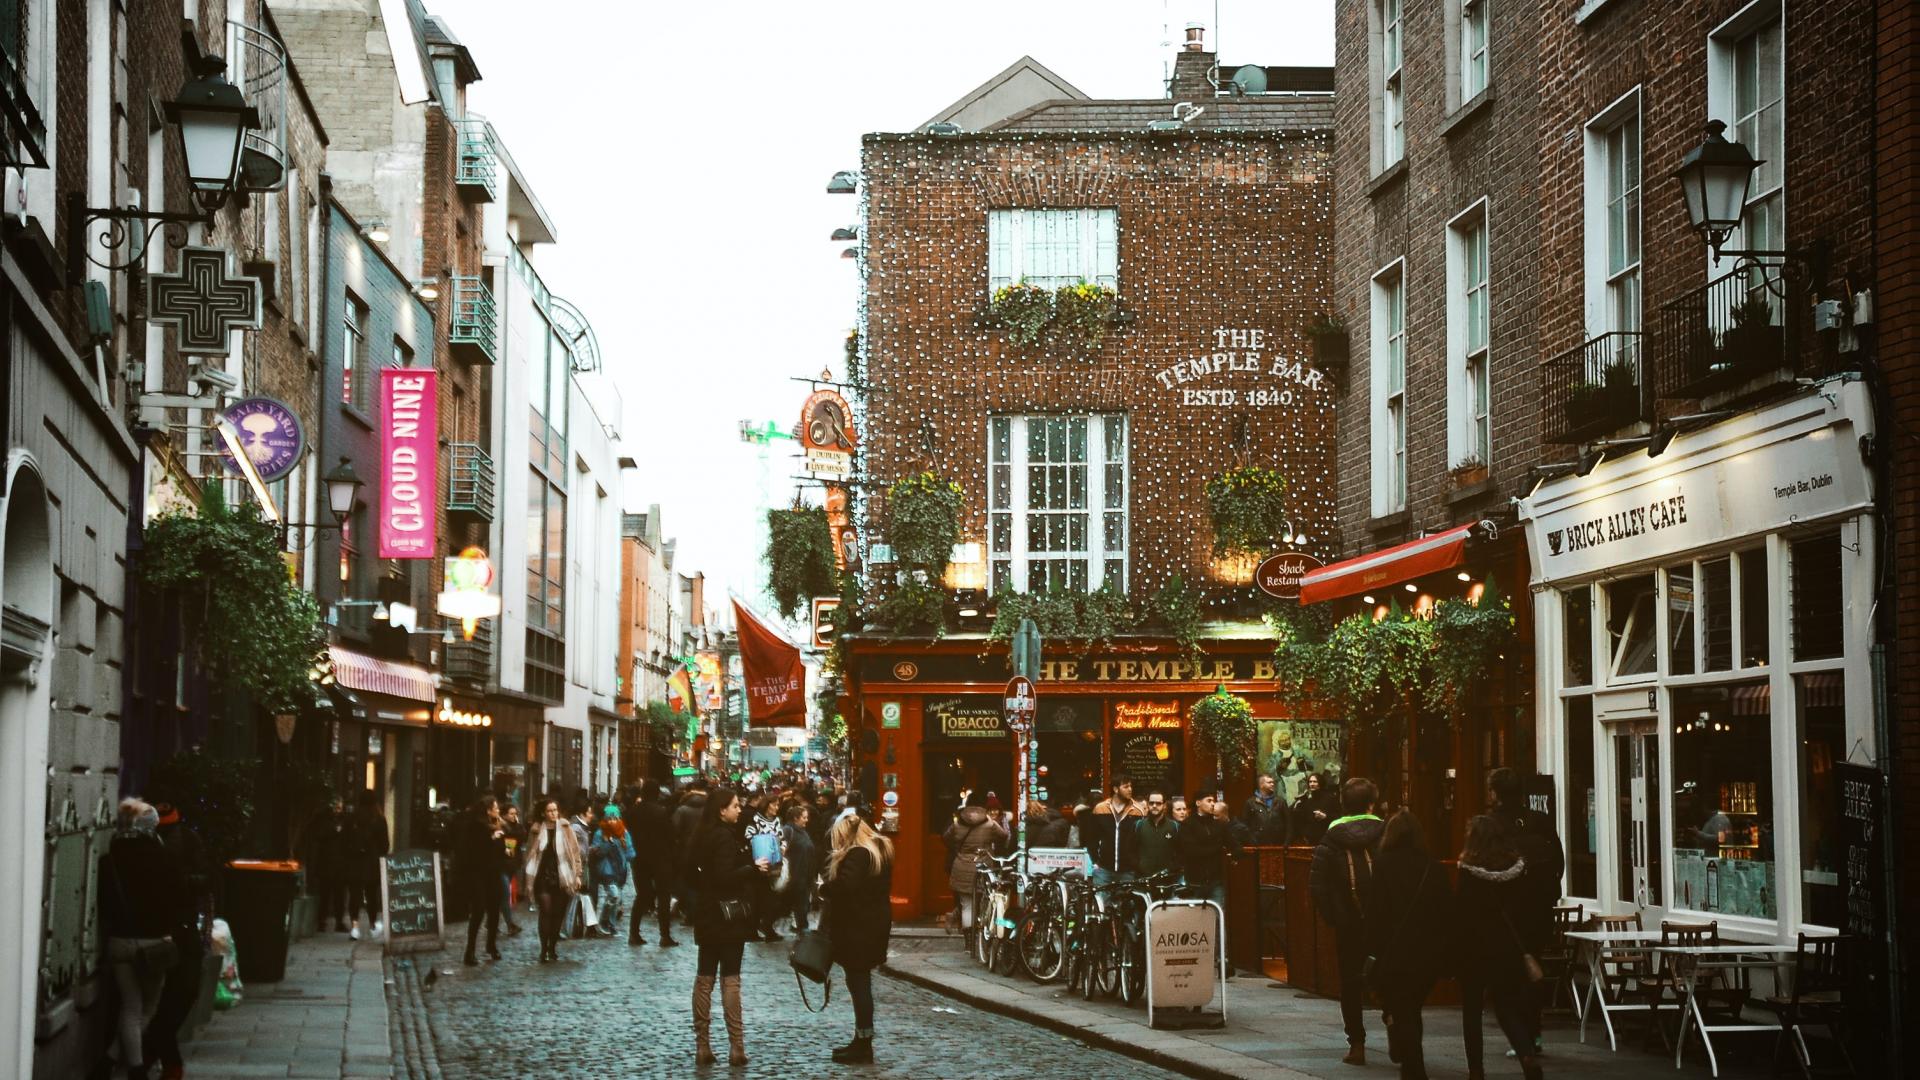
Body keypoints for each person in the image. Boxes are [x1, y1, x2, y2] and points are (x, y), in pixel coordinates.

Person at [99, 799, 190, 1080]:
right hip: (154, 943)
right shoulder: (163, 857)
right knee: (147, 1008)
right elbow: (179, 898)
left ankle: (110, 1061)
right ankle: (136, 1071)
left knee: (129, 1006)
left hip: (120, 941)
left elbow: (104, 900)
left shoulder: (109, 857)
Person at [1363, 810, 1453, 1080]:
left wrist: (1373, 949)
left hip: (1394, 952)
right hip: (1427, 953)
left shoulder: (1382, 865)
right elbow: (1445, 912)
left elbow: (1375, 913)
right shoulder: (1433, 868)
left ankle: (1414, 1067)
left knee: (1404, 1010)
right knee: (1412, 1007)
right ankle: (1410, 1060)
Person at [1456, 815, 1545, 1080]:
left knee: (1472, 1011)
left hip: (1474, 949)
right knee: (1507, 1007)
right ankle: (1526, 1055)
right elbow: (1526, 911)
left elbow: (1461, 913)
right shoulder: (1518, 869)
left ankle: (1476, 1070)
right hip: (1507, 949)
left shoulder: (1468, 871)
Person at [1486, 768, 1565, 1057]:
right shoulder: (1540, 821)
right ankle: (1534, 1033)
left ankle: (1521, 1036)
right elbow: (1558, 860)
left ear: (1495, 793)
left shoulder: (1492, 825)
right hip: (1540, 909)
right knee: (1533, 967)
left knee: (1508, 976)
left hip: (1506, 912)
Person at [1309, 776, 1385, 1066]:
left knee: (1350, 982)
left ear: (1343, 805)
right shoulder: (1385, 833)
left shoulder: (1331, 838)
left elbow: (1317, 886)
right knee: (1390, 974)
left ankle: (1357, 1044)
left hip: (1348, 923)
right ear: (1370, 804)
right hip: (1383, 922)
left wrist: (1335, 917)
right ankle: (1396, 1028)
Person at [689, 787, 769, 1066]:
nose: (739, 809)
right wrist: (752, 868)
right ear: (721, 809)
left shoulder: (702, 835)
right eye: (735, 805)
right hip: (728, 916)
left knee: (704, 977)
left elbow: (692, 873)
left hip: (707, 913)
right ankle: (736, 1046)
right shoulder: (723, 837)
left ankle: (702, 1045)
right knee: (730, 979)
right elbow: (725, 876)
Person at [821, 812, 895, 1064]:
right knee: (859, 982)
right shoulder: (878, 851)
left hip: (858, 927)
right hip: (872, 924)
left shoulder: (858, 854)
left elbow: (846, 887)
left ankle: (863, 1044)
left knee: (859, 983)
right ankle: (861, 1040)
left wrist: (824, 888)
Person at [142, 803, 208, 1080]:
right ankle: (157, 1060)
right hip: (161, 930)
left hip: (179, 928)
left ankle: (151, 1057)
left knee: (177, 995)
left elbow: (204, 879)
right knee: (162, 1000)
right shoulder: (148, 846)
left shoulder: (185, 841)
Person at [522, 796, 585, 963]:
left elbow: (575, 852)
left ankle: (552, 947)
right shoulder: (536, 829)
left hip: (562, 875)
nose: (553, 814)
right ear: (543, 813)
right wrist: (527, 878)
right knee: (546, 911)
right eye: (549, 811)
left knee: (558, 913)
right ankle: (543, 949)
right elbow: (529, 854)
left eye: (555, 810)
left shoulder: (565, 827)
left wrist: (578, 875)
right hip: (542, 875)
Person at [943, 794, 1008, 935]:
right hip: (983, 866)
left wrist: (958, 849)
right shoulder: (989, 823)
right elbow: (1004, 836)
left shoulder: (957, 824)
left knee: (966, 904)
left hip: (962, 865)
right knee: (982, 899)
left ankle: (968, 940)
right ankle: (980, 933)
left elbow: (946, 838)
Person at [455, 796, 508, 966]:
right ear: (488, 810)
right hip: (478, 874)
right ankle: (470, 951)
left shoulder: (499, 826)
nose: (498, 810)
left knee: (494, 910)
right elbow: (473, 851)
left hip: (494, 874)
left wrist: (504, 845)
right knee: (478, 910)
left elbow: (505, 849)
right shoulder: (476, 827)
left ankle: (491, 945)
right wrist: (492, 839)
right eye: (496, 808)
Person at [628, 785, 679, 947]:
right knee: (663, 896)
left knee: (642, 895)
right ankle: (665, 935)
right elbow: (671, 836)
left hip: (640, 858)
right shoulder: (661, 812)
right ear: (657, 794)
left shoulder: (632, 812)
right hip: (661, 859)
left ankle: (633, 933)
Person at [1172, 791, 1238, 906]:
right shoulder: (1188, 824)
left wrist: (1235, 855)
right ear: (1198, 803)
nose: (1213, 804)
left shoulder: (1219, 825)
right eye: (1209, 800)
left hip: (1216, 880)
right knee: (1195, 918)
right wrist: (1217, 849)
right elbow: (1192, 851)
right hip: (1195, 881)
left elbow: (1234, 845)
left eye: (1213, 801)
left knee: (1217, 916)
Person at [345, 794, 390, 940]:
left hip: (354, 862)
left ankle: (355, 927)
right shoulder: (379, 819)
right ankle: (372, 926)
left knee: (355, 896)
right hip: (372, 863)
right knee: (372, 896)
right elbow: (385, 845)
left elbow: (344, 840)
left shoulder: (352, 818)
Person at [1085, 774, 1143, 886]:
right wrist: (1095, 861)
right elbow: (1092, 837)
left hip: (1128, 871)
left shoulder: (1138, 811)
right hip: (1104, 870)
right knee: (1102, 902)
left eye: (1131, 786)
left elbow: (1142, 841)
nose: (1130, 789)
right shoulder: (1100, 808)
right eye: (1126, 787)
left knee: (1125, 902)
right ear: (1116, 789)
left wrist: (1136, 864)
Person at [302, 797, 350, 933]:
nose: (337, 810)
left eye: (340, 807)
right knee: (325, 894)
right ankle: (322, 921)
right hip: (327, 862)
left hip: (340, 864)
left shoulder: (345, 820)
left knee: (339, 895)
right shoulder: (324, 820)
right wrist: (335, 831)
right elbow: (319, 835)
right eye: (336, 807)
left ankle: (339, 921)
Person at [745, 792, 787, 941]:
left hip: (775, 865)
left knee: (773, 898)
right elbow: (749, 837)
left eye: (778, 805)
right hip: (760, 865)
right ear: (766, 804)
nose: (777, 807)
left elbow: (782, 838)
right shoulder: (755, 819)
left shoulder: (777, 821)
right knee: (757, 898)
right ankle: (753, 930)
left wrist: (782, 847)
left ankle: (767, 927)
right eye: (774, 804)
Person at [588, 807, 631, 938]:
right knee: (614, 895)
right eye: (609, 818)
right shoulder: (600, 833)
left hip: (620, 870)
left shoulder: (624, 832)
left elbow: (630, 851)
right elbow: (597, 852)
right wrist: (607, 843)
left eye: (615, 818)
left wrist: (625, 848)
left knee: (616, 899)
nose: (612, 821)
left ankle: (611, 924)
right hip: (607, 870)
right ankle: (603, 921)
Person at [785, 803, 819, 933]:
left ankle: (801, 926)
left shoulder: (803, 831)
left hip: (805, 873)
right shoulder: (788, 830)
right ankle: (802, 928)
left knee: (803, 903)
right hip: (796, 873)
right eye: (804, 817)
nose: (806, 820)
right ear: (795, 818)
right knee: (800, 903)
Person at [1134, 790, 1181, 877]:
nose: (1154, 806)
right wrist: (1139, 867)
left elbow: (1181, 853)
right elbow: (1131, 851)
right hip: (1143, 879)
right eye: (1151, 803)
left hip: (1167, 880)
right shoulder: (1139, 825)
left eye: (1158, 803)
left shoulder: (1174, 827)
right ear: (1148, 804)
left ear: (1164, 805)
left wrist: (1171, 869)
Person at [1241, 772, 1291, 846]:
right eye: (1269, 782)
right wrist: (1252, 842)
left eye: (1273, 782)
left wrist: (1286, 843)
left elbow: (1289, 824)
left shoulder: (1281, 802)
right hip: (1258, 845)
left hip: (1278, 845)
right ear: (1261, 785)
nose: (1272, 784)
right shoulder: (1250, 803)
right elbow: (1245, 825)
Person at [499, 803, 526, 935]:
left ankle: (490, 923)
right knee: (505, 894)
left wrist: (518, 823)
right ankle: (510, 925)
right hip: (501, 865)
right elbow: (507, 835)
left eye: (515, 814)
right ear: (504, 815)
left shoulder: (517, 827)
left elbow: (522, 836)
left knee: (501, 895)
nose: (514, 816)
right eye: (511, 813)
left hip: (511, 865)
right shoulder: (500, 826)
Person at [1292, 772, 1339, 846]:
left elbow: (1338, 817)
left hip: (1327, 839)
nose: (1312, 784)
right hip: (1311, 841)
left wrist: (1325, 817)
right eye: (1310, 782)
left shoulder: (1330, 798)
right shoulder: (1308, 800)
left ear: (1320, 783)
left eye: (1315, 781)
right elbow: (1302, 820)